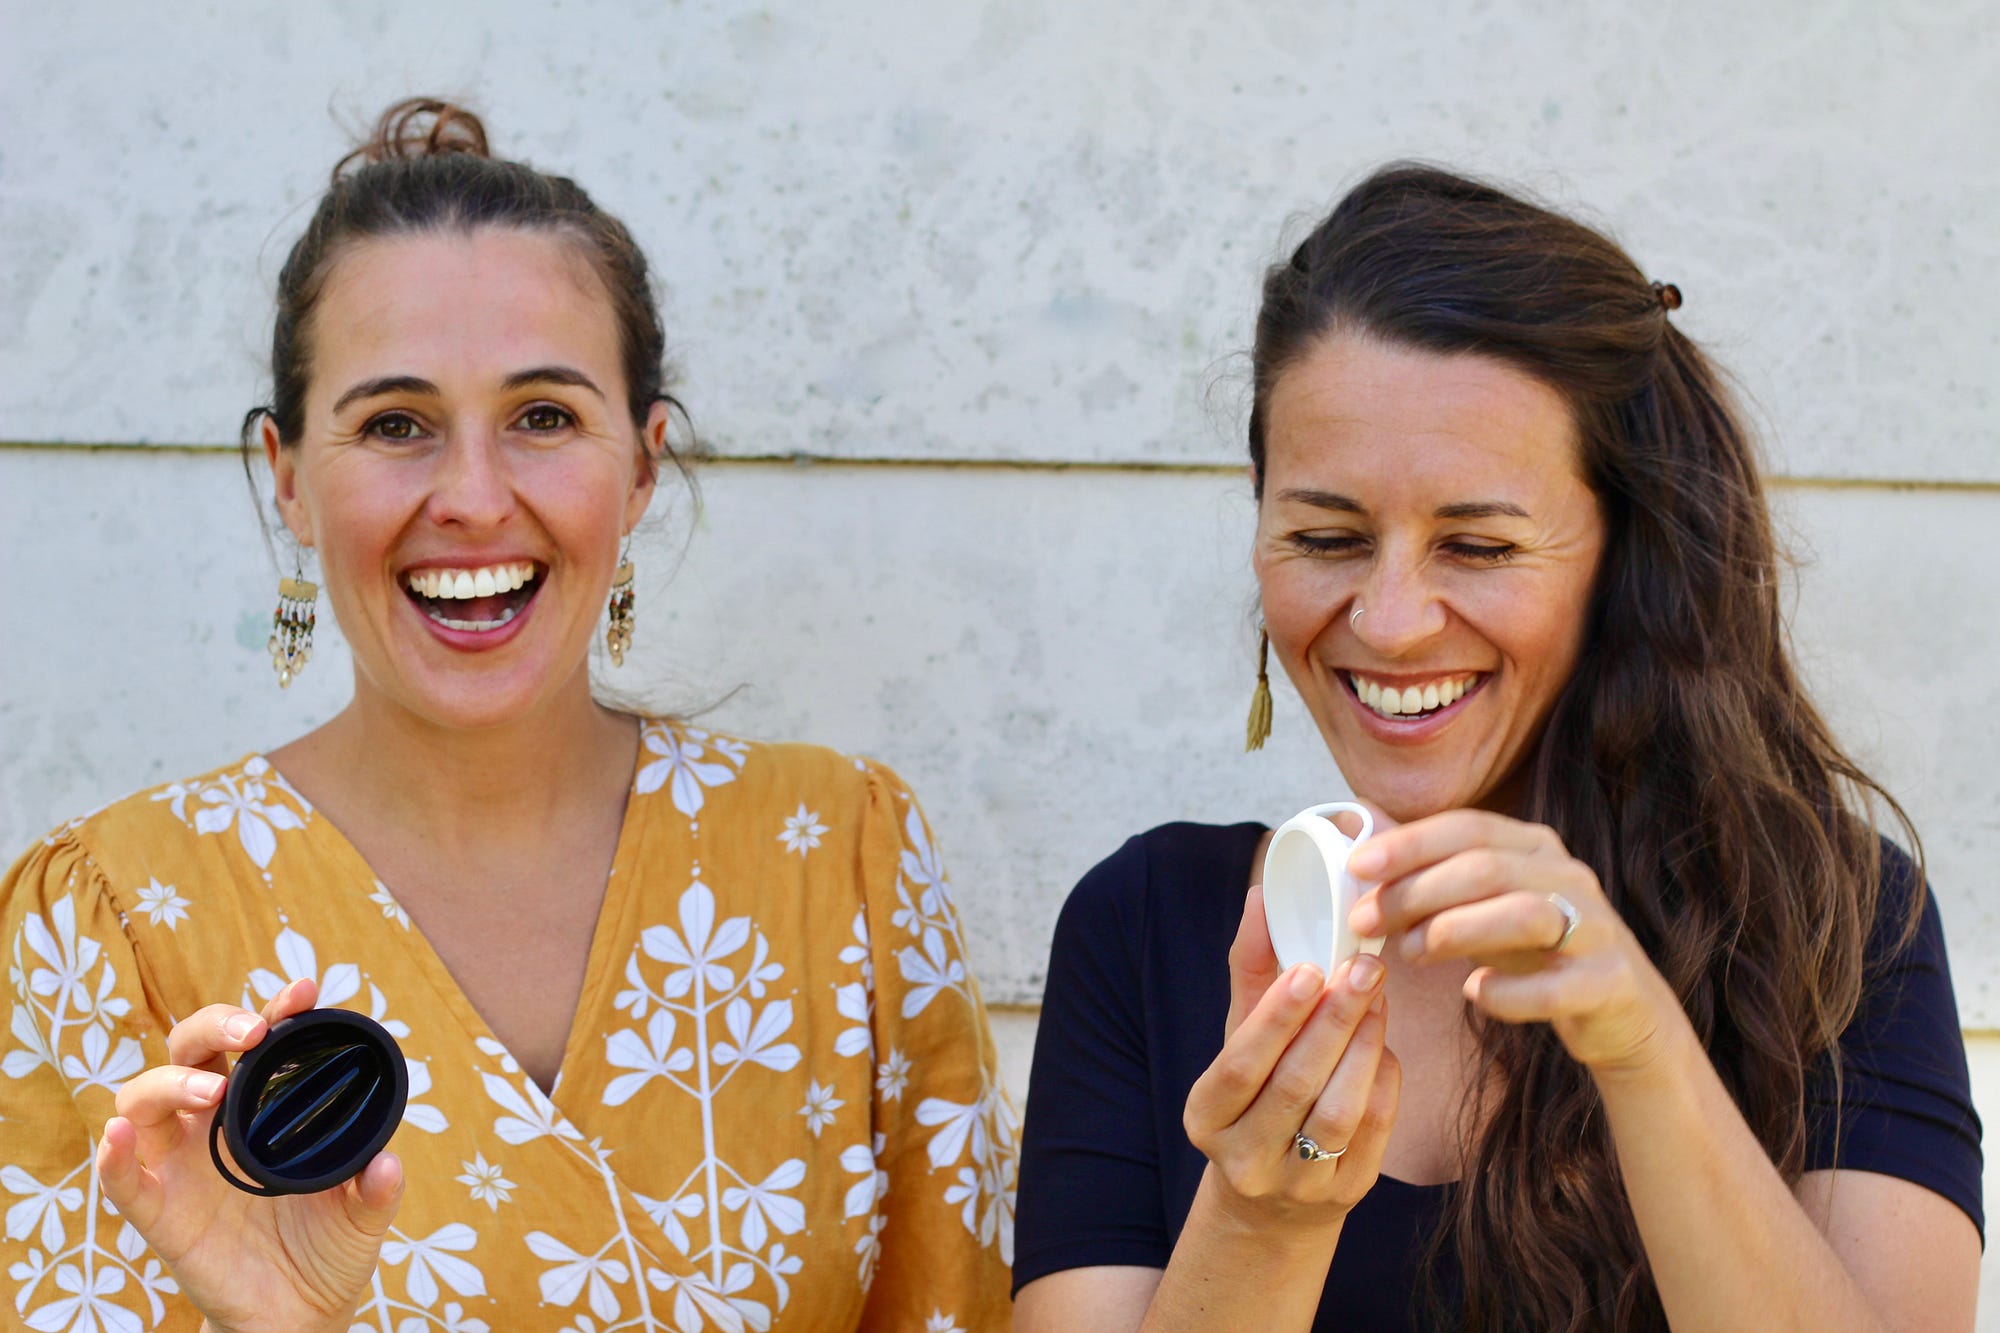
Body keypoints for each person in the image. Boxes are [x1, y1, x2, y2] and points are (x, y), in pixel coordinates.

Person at [0, 98, 1016, 1333]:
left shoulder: (842, 859)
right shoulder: (108, 921)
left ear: (641, 465)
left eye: (542, 416)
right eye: (394, 425)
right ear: (288, 479)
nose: (474, 499)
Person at [1012, 164, 1981, 1331]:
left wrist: (1640, 1051)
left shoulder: (1833, 920)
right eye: (1325, 536)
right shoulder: (1144, 922)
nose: (1387, 618)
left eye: (1474, 546)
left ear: (1624, 562)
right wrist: (1265, 1213)